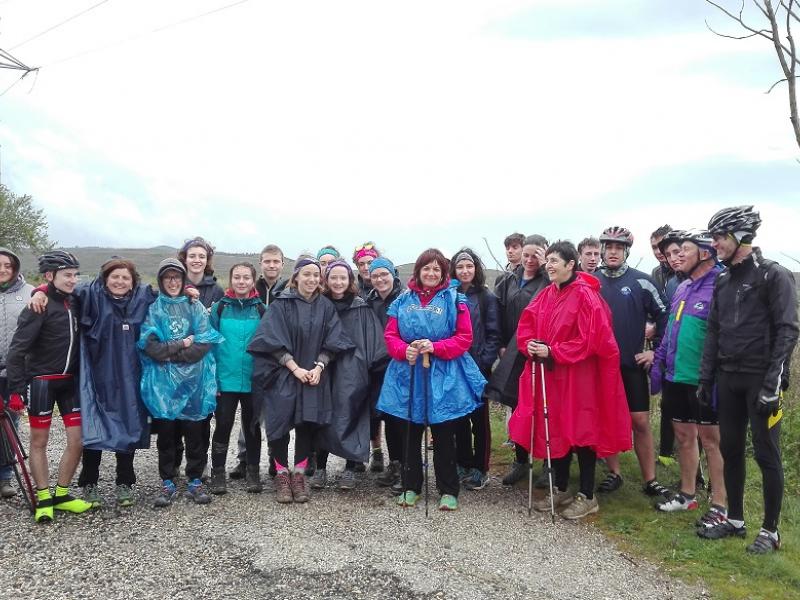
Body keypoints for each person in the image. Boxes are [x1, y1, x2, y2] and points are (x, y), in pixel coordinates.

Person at [697, 206, 798, 554]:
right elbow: (713, 331)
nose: (714, 244)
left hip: (760, 378)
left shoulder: (774, 275)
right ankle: (735, 520)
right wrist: (705, 377)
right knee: (731, 449)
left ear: (742, 236)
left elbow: (788, 330)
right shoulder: (723, 279)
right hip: (728, 377)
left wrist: (773, 382)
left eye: (720, 237)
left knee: (767, 453)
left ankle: (771, 531)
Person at [510, 241, 632, 519]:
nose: (549, 265)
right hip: (552, 376)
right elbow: (526, 325)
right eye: (548, 260)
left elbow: (593, 338)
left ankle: (587, 494)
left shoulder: (586, 296)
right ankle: (561, 486)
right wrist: (529, 345)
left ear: (570, 265)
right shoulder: (546, 294)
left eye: (555, 261)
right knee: (557, 428)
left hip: (580, 377)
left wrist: (554, 351)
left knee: (582, 429)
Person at [378, 248, 486, 511]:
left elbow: (464, 338)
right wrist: (406, 350)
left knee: (444, 433)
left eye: (437, 269)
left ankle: (448, 489)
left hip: (444, 375)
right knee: (410, 433)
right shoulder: (402, 301)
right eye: (427, 268)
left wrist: (436, 347)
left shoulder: (455, 299)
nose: (431, 273)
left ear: (443, 273)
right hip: (409, 373)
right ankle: (411, 486)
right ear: (418, 271)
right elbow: (391, 336)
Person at [248, 258, 354, 503]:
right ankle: (282, 475)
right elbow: (269, 341)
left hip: (313, 376)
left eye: (316, 275)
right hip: (284, 374)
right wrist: (294, 368)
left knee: (307, 423)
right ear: (295, 277)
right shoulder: (281, 305)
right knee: (279, 425)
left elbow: (334, 340)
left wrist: (319, 367)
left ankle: (299, 474)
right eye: (307, 274)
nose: (312, 279)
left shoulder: (325, 306)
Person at [5, 250, 93, 522]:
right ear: (49, 275)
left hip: (69, 383)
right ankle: (44, 497)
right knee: (39, 441)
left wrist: (41, 289)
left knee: (77, 441)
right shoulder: (37, 307)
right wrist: (16, 389)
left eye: (75, 275)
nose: (73, 280)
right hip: (42, 382)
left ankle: (62, 494)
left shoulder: (75, 302)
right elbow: (16, 351)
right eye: (67, 275)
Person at [650, 230, 726, 519]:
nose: (677, 255)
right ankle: (687, 495)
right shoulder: (681, 287)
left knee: (711, 441)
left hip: (706, 379)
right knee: (683, 436)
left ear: (705, 253)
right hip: (676, 376)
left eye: (684, 250)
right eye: (674, 251)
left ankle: (720, 504)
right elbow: (670, 331)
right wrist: (659, 366)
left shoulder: (721, 284)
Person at [139, 258, 223, 507]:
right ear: (161, 281)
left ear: (183, 279)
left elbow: (204, 342)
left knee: (195, 434)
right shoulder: (154, 309)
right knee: (167, 436)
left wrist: (172, 356)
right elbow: (150, 346)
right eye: (168, 278)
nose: (173, 282)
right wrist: (180, 345)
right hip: (164, 388)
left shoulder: (195, 306)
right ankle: (168, 480)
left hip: (194, 384)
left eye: (177, 277)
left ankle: (195, 480)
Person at [595, 226, 670, 499]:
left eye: (619, 247)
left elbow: (667, 319)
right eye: (609, 247)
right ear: (602, 250)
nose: (613, 252)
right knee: (606, 420)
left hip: (632, 364)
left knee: (639, 421)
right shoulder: (590, 281)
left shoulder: (641, 281)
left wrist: (655, 352)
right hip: (600, 367)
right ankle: (614, 473)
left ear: (626, 251)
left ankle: (650, 479)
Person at [312, 260, 388, 490]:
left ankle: (350, 468)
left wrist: (369, 368)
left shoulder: (360, 308)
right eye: (333, 277)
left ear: (350, 280)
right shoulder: (319, 305)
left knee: (353, 414)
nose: (338, 282)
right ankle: (320, 468)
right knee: (322, 417)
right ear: (326, 280)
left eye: (343, 278)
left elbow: (374, 341)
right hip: (323, 369)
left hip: (353, 371)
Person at [485, 234, 550, 486]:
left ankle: (547, 464)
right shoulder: (506, 280)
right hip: (512, 352)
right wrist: (501, 344)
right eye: (527, 255)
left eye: (536, 255)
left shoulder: (548, 280)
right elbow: (497, 314)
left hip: (541, 350)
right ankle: (520, 460)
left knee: (545, 408)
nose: (530, 260)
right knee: (518, 405)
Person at [208, 262, 265, 495]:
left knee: (252, 427)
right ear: (230, 280)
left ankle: (253, 471)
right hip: (225, 379)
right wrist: (213, 380)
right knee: (222, 425)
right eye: (237, 277)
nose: (241, 282)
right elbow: (209, 345)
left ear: (253, 281)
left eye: (246, 278)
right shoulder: (219, 309)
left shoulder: (261, 310)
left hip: (253, 380)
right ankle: (218, 473)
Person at [231, 243, 287, 480]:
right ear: (260, 263)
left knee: (276, 413)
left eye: (276, 261)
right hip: (254, 360)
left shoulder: (287, 289)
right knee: (251, 414)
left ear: (282, 264)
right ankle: (245, 460)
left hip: (278, 360)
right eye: (267, 261)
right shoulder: (251, 288)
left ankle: (276, 460)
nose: (271, 265)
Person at [450, 248, 501, 491]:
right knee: (459, 418)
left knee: (479, 420)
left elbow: (493, 333)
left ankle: (481, 468)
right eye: (460, 267)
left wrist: (483, 363)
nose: (465, 271)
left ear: (476, 269)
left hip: (478, 368)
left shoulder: (486, 297)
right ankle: (463, 462)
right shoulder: (448, 295)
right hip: (454, 366)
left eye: (469, 266)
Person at [366, 257, 405, 491]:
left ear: (393, 275)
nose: (380, 279)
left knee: (397, 419)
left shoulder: (404, 299)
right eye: (375, 275)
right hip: (373, 368)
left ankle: (401, 465)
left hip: (397, 366)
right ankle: (390, 462)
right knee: (378, 415)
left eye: (384, 274)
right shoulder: (367, 302)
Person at [0, 248, 33, 499]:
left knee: (10, 424)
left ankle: (4, 478)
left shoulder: (30, 292)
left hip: (15, 372)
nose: (3, 270)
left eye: (8, 265)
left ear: (15, 268)